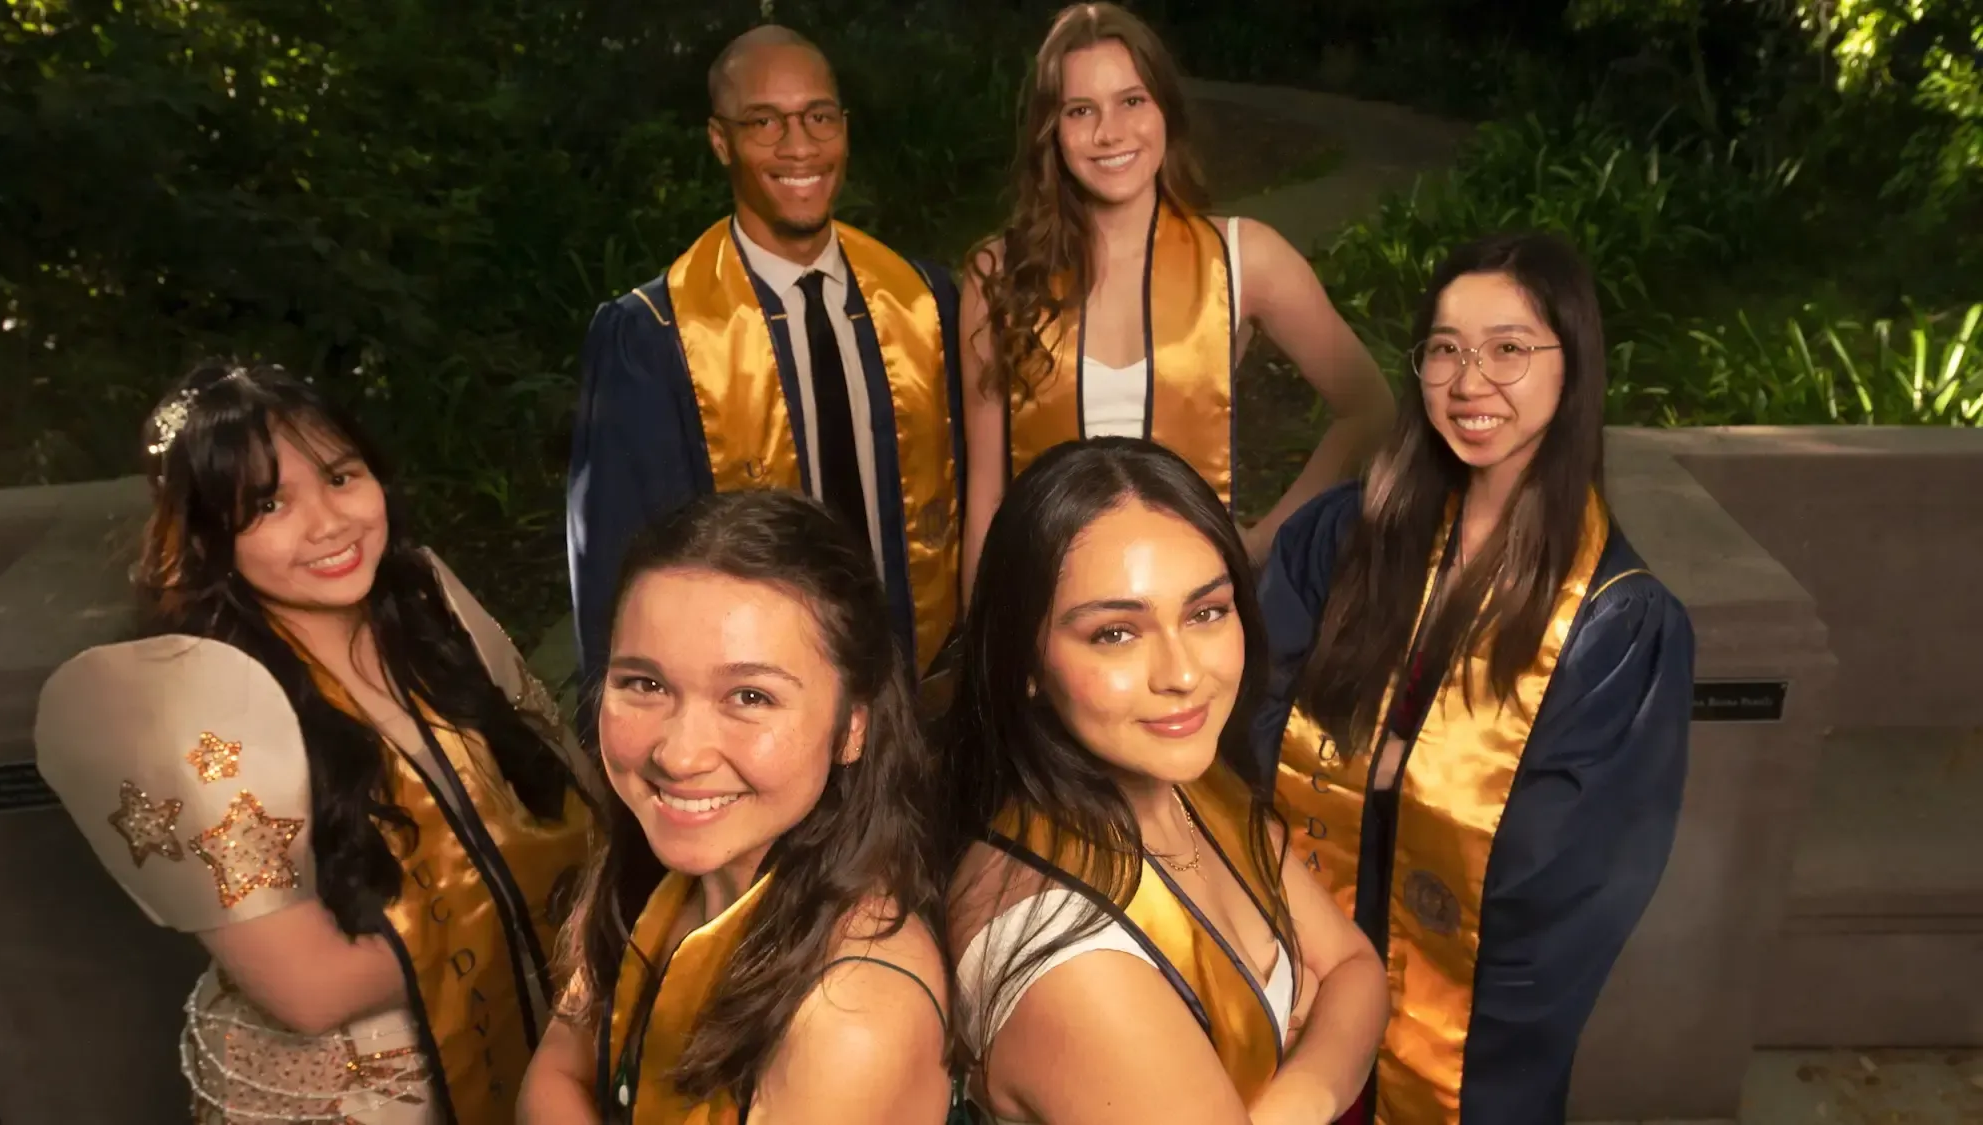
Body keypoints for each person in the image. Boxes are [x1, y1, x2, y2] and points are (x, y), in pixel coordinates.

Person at [34, 361, 595, 1125]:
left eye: (340, 476)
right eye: (268, 504)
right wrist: (561, 904)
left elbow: (576, 800)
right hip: (355, 1095)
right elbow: (311, 988)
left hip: (531, 1030)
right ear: (205, 532)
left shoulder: (425, 607)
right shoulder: (188, 700)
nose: (329, 523)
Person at [1252, 232, 1695, 1125]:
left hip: (1457, 1029)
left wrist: (1394, 783)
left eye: (1508, 348)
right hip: (1291, 954)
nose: (1469, 381)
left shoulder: (1613, 624)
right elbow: (1253, 716)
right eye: (1446, 349)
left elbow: (1570, 873)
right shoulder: (1342, 537)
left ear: (1574, 366)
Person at [945, 437, 1390, 1125]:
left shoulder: (1188, 782)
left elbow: (1359, 971)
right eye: (1115, 633)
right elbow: (1346, 991)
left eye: (1206, 612)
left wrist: (1292, 1097)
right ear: (1025, 660)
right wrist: (1315, 1033)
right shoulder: (1069, 958)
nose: (1182, 674)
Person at [520, 490, 956, 1124]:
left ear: (852, 727)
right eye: (645, 684)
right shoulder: (659, 872)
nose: (680, 755)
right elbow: (555, 1074)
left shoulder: (848, 1015)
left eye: (751, 697)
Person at [568, 23, 965, 716]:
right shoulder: (656, 338)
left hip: (922, 705)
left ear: (844, 128)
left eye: (818, 116)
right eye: (764, 122)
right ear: (720, 141)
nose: (800, 146)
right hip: (750, 724)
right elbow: (618, 580)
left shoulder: (924, 303)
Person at [957, 2, 1394, 603]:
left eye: (1132, 101)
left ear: (1165, 108)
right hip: (1049, 607)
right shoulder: (999, 272)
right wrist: (981, 638)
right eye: (1081, 110)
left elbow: (1370, 408)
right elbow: (986, 494)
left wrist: (1263, 540)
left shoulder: (1243, 257)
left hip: (1194, 605)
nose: (1110, 132)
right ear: (1050, 130)